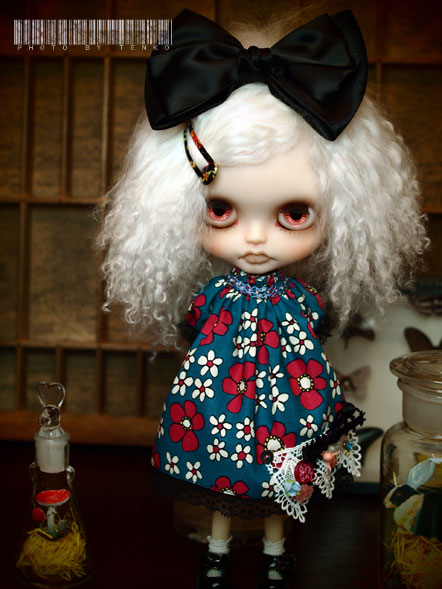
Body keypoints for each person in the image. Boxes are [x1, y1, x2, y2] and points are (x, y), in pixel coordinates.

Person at [98, 9, 427, 589]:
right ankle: (218, 550)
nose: (254, 239)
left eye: (294, 213)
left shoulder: (298, 299)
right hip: (218, 412)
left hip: (289, 414)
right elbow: (198, 324)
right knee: (222, 483)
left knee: (282, 486)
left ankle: (276, 553)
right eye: (221, 210)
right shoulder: (221, 296)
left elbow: (312, 326)